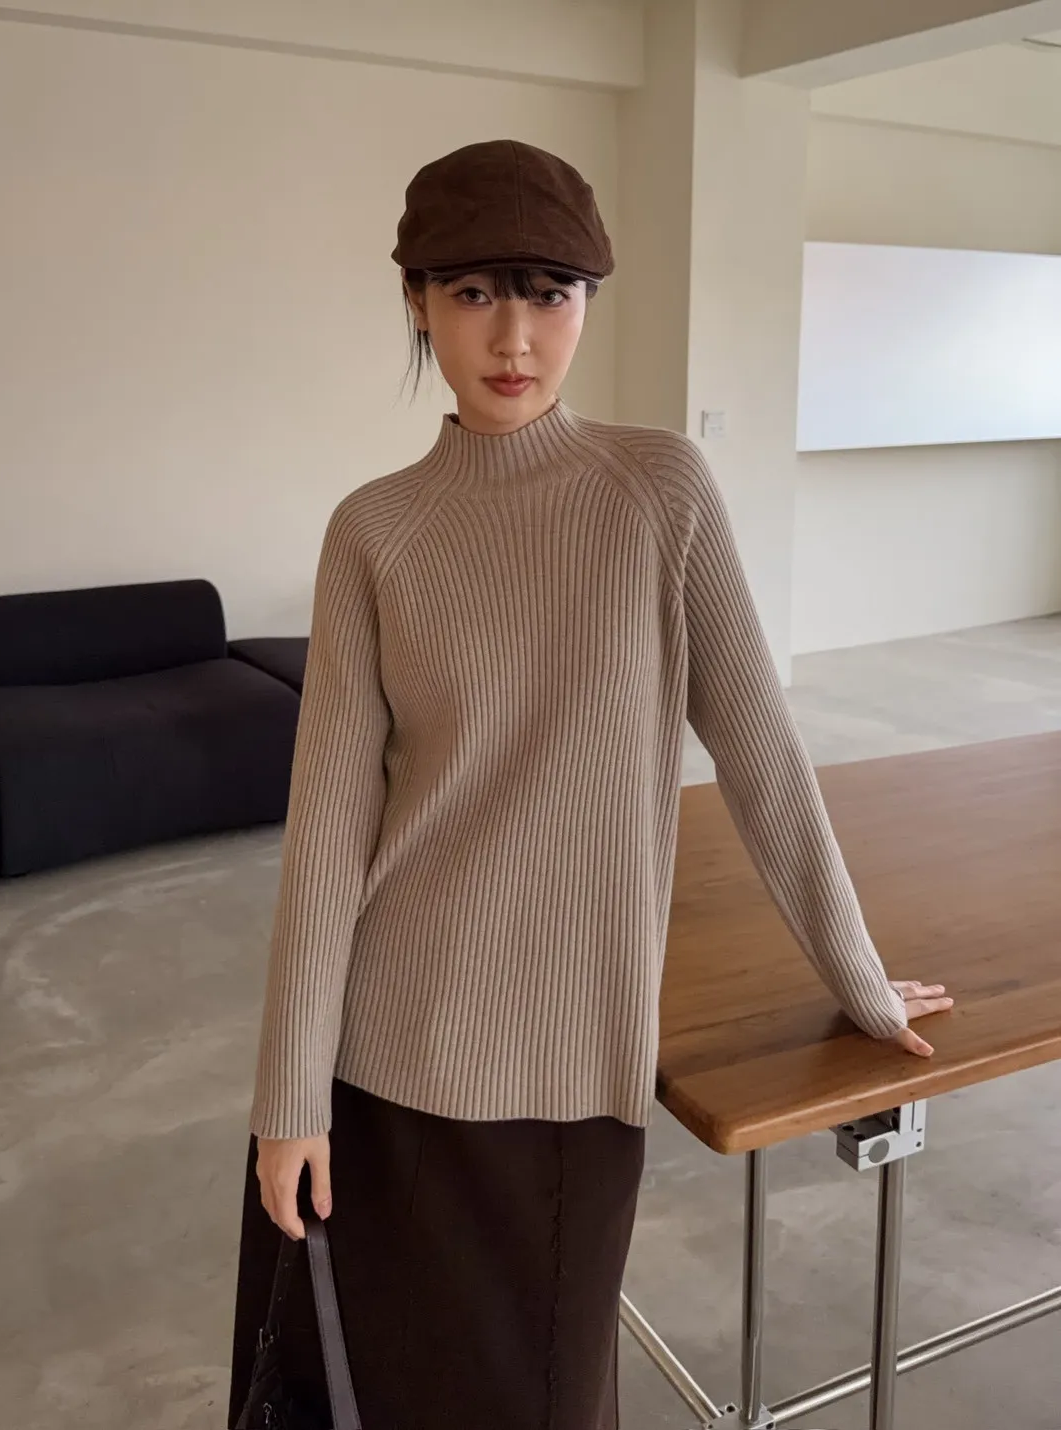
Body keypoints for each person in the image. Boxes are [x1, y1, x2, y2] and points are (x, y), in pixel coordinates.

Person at [228, 139, 952, 1430]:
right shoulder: (373, 530)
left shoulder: (659, 489)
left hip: (569, 1066)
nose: (513, 337)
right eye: (472, 293)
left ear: (587, 303)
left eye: (550, 294)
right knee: (382, 1392)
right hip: (386, 1056)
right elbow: (331, 830)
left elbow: (762, 751)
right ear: (416, 301)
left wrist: (856, 970)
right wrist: (288, 1096)